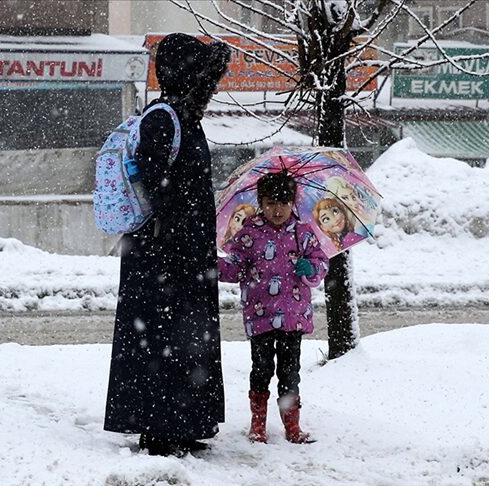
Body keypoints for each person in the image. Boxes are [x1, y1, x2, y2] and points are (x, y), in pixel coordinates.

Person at [104, 33, 231, 457]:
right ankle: (160, 427)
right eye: (203, 77)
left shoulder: (185, 116)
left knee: (186, 338)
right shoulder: (163, 117)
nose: (209, 87)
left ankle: (184, 421)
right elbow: (160, 187)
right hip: (163, 252)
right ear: (184, 75)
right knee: (164, 339)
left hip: (183, 251)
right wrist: (181, 233)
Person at [217, 172, 329, 444]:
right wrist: (214, 265)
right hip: (260, 316)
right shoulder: (248, 234)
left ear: (293, 203)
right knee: (261, 369)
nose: (277, 210)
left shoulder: (304, 234)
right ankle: (258, 424)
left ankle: (292, 426)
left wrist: (310, 268)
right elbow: (235, 267)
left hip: (293, 317)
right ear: (260, 203)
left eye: (283, 203)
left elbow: (321, 263)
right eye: (269, 203)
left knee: (290, 372)